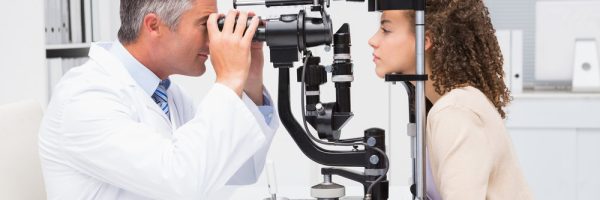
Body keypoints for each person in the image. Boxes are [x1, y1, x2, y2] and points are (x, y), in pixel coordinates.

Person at [38, 0, 278, 199]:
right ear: (154, 25)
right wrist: (228, 78)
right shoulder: (85, 97)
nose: (213, 40)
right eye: (205, 25)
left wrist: (249, 81)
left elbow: (237, 170)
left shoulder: (166, 93)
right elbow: (180, 181)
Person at [368, 0, 533, 199]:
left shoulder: (454, 113)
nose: (373, 40)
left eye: (386, 29)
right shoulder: (445, 104)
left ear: (424, 40)